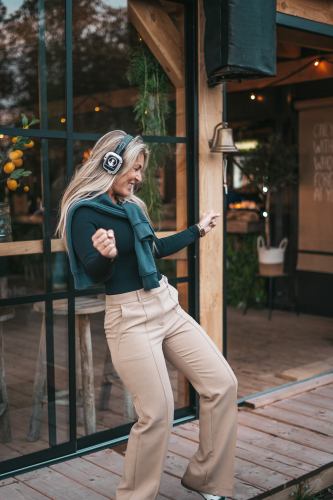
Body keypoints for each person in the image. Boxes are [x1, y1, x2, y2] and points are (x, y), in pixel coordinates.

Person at [56, 130, 238, 500]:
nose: (139, 177)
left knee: (223, 384)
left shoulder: (132, 207)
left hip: (165, 304)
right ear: (111, 163)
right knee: (156, 412)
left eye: (141, 169)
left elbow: (153, 250)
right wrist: (104, 255)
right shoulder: (83, 212)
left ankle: (207, 479)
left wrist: (197, 230)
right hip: (129, 317)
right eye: (134, 168)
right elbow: (94, 270)